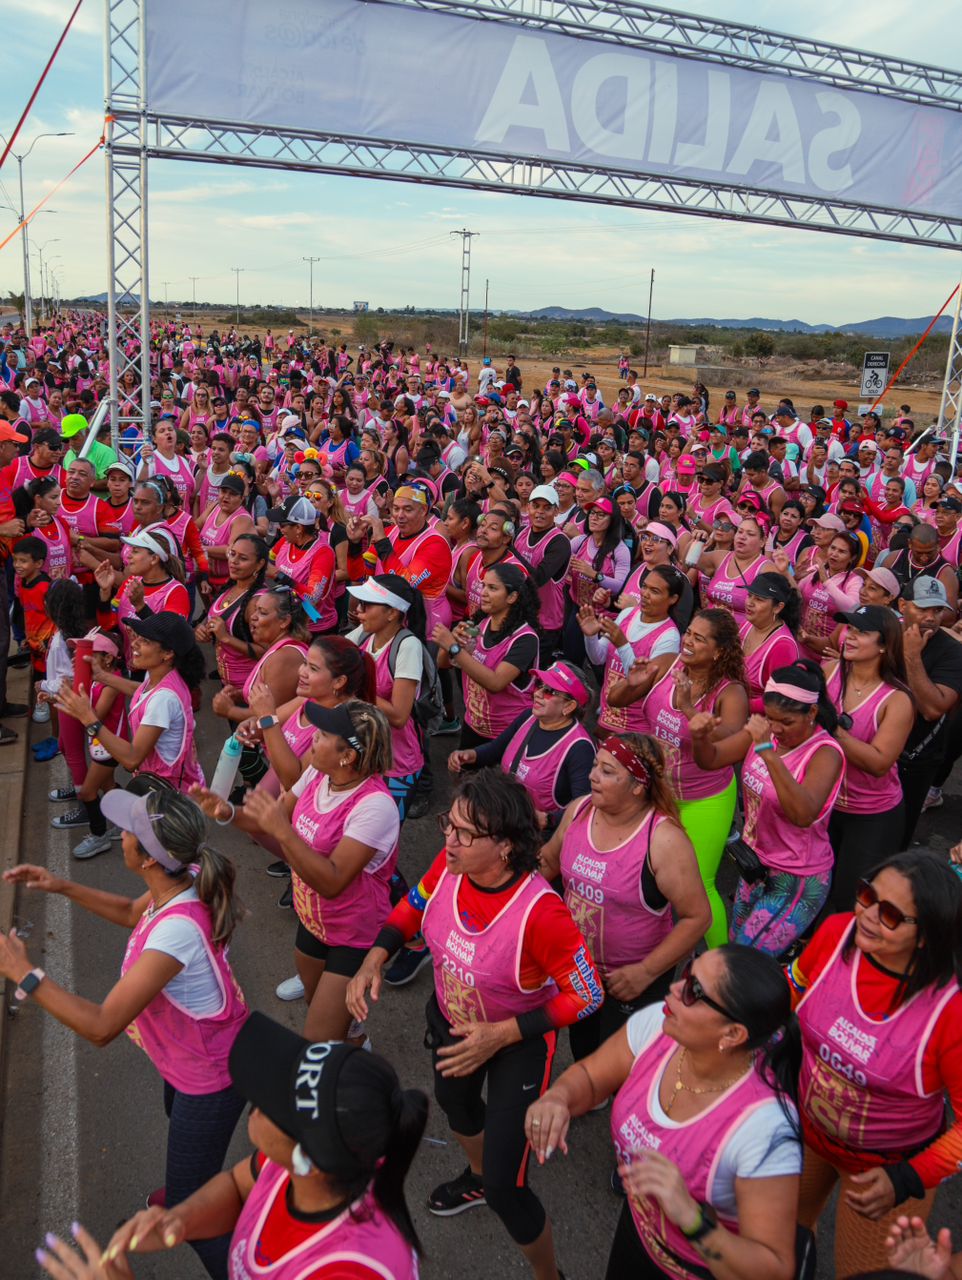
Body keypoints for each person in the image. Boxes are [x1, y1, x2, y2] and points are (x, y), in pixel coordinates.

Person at [347, 770, 603, 1280]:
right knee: (456, 1105)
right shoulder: (448, 866)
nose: (448, 839)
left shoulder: (542, 914)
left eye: (464, 833)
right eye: (449, 825)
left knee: (511, 1192)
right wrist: (375, 956)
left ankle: (549, 1274)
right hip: (452, 1023)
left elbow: (589, 993)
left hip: (516, 1044)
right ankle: (478, 1177)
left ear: (506, 847)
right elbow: (413, 906)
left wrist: (503, 1035)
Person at [2, 789, 248, 1280]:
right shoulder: (183, 876)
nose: (121, 834)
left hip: (212, 1078)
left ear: (150, 857)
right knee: (177, 1125)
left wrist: (24, 973)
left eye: (130, 829)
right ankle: (191, 1182)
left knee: (189, 1216)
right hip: (187, 1065)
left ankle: (236, 1263)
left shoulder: (176, 931)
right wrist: (60, 886)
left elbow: (100, 1027)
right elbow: (130, 913)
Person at [58, 1013, 428, 1280]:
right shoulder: (325, 1160)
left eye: (269, 1104)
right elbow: (238, 1186)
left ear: (308, 1160)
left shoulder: (349, 1270)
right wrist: (180, 1221)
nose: (253, 1098)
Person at [526, 945, 802, 1280]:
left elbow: (774, 1269)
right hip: (640, 1231)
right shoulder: (659, 1024)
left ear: (732, 1034)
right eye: (687, 972)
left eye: (693, 991)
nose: (673, 987)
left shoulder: (764, 1129)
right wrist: (558, 1098)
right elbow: (590, 1076)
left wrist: (691, 1218)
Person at [789, 851, 962, 1278]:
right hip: (806, 1136)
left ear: (926, 936)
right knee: (777, 1245)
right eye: (867, 894)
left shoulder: (950, 1014)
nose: (866, 914)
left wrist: (906, 1179)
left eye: (889, 915)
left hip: (885, 1173)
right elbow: (793, 989)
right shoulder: (834, 934)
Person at [540, 733, 710, 1060]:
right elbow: (547, 862)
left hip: (632, 980)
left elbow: (698, 917)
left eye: (607, 771)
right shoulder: (578, 811)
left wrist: (645, 971)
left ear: (637, 786)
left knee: (625, 1063)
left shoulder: (663, 840)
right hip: (579, 969)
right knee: (585, 1049)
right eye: (594, 766)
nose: (592, 776)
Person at [692, 660, 846, 956]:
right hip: (755, 866)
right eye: (770, 718)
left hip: (797, 877)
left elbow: (802, 814)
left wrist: (767, 752)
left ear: (812, 712)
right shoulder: (765, 734)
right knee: (739, 951)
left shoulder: (825, 752)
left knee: (743, 960)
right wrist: (699, 736)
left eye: (786, 722)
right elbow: (710, 760)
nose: (776, 728)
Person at [639, 608, 749, 948]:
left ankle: (722, 969)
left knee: (700, 884)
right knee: (650, 878)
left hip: (704, 801)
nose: (687, 640)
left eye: (699, 638)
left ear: (718, 651)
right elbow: (625, 697)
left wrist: (689, 707)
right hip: (658, 793)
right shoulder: (670, 663)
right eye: (688, 632)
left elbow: (727, 741)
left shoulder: (730, 693)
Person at [55, 612, 206, 793]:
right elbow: (141, 691)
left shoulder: (163, 699)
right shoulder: (161, 674)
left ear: (167, 653)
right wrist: (102, 676)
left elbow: (132, 759)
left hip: (171, 800)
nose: (134, 643)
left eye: (146, 641)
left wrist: (89, 718)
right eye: (138, 637)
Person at [825, 606, 913, 911]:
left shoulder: (897, 699)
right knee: (816, 894)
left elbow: (878, 762)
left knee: (847, 902)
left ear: (884, 645)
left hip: (872, 816)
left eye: (862, 632)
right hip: (824, 803)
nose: (849, 636)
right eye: (850, 629)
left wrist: (832, 727)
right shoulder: (829, 672)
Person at [448, 660, 594, 825]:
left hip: (541, 836)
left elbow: (583, 807)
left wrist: (547, 820)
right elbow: (497, 749)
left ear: (569, 706)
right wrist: (470, 755)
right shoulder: (529, 717)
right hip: (508, 818)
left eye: (549, 691)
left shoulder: (580, 748)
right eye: (539, 685)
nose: (538, 693)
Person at [433, 563, 541, 749]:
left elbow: (495, 683)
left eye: (492, 588)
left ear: (512, 597)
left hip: (506, 734)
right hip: (473, 725)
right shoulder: (479, 625)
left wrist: (454, 648)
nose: (483, 592)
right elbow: (443, 664)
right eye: (483, 585)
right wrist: (450, 644)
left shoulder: (525, 639)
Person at [346, 574, 426, 820]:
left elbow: (400, 716)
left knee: (383, 835)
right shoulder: (364, 634)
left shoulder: (407, 646)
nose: (359, 611)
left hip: (396, 761)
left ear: (392, 613)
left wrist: (355, 688)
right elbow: (334, 657)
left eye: (367, 606)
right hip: (363, 752)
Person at [580, 564, 683, 734]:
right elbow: (598, 658)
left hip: (634, 728)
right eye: (644, 586)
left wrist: (622, 644)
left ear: (673, 599)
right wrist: (590, 636)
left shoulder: (669, 637)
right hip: (606, 717)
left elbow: (640, 684)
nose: (645, 594)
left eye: (655, 591)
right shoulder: (628, 614)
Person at [897, 577, 962, 847]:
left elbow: (933, 708)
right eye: (922, 608)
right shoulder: (885, 635)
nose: (931, 617)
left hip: (916, 760)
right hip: (873, 750)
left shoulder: (952, 652)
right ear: (902, 605)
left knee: (897, 834)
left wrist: (911, 656)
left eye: (937, 610)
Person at [740, 572, 801, 712]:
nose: (750, 603)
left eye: (759, 599)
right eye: (749, 595)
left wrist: (735, 704)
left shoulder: (783, 647)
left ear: (778, 607)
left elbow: (780, 698)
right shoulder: (747, 625)